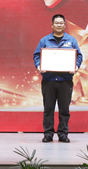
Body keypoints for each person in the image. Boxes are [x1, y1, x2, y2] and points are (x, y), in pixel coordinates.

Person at [33, 14, 83, 143]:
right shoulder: (44, 40)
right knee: (48, 109)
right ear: (52, 25)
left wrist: (76, 66)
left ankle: (63, 134)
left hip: (65, 80)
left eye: (61, 23)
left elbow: (79, 56)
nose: (59, 25)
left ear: (65, 25)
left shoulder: (71, 40)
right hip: (49, 80)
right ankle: (48, 134)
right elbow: (37, 55)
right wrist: (39, 66)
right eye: (56, 23)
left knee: (64, 109)